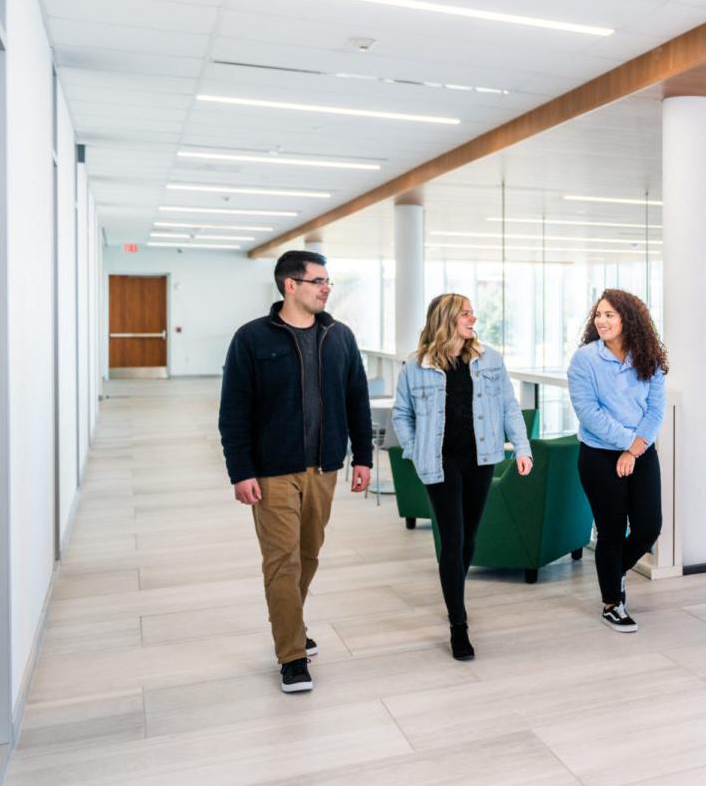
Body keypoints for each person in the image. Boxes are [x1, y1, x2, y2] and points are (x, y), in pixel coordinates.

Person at [218, 250, 373, 693]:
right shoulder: (251, 339)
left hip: (323, 468)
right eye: (318, 281)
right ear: (291, 285)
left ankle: (292, 623)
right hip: (271, 471)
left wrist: (362, 456)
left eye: (328, 281)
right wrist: (240, 470)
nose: (327, 288)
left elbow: (356, 400)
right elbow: (234, 411)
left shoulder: (339, 337)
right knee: (281, 562)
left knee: (307, 555)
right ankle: (291, 655)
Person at [392, 294, 533, 660]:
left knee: (469, 537)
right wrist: (414, 448)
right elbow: (402, 415)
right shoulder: (415, 366)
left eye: (472, 311)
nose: (474, 317)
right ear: (447, 319)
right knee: (452, 539)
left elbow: (508, 407)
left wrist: (522, 448)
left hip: (481, 458)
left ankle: (454, 589)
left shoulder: (490, 360)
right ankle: (458, 624)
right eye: (467, 313)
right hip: (439, 464)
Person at [567, 289, 668, 633]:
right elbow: (588, 412)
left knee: (649, 526)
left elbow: (655, 410)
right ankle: (613, 602)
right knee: (610, 530)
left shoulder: (648, 357)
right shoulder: (585, 359)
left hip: (640, 452)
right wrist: (627, 444)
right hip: (598, 455)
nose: (602, 321)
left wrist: (634, 450)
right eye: (598, 315)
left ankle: (613, 571)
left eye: (609, 314)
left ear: (628, 319)